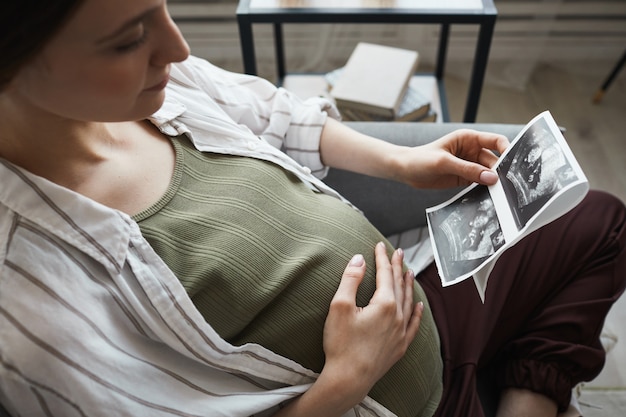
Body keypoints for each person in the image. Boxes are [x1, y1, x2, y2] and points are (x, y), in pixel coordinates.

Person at [1, 1, 625, 416]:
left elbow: (275, 113)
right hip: (378, 402)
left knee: (600, 221)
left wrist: (404, 163)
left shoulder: (157, 89)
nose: (177, 46)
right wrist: (347, 379)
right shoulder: (28, 307)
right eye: (130, 38)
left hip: (423, 301)